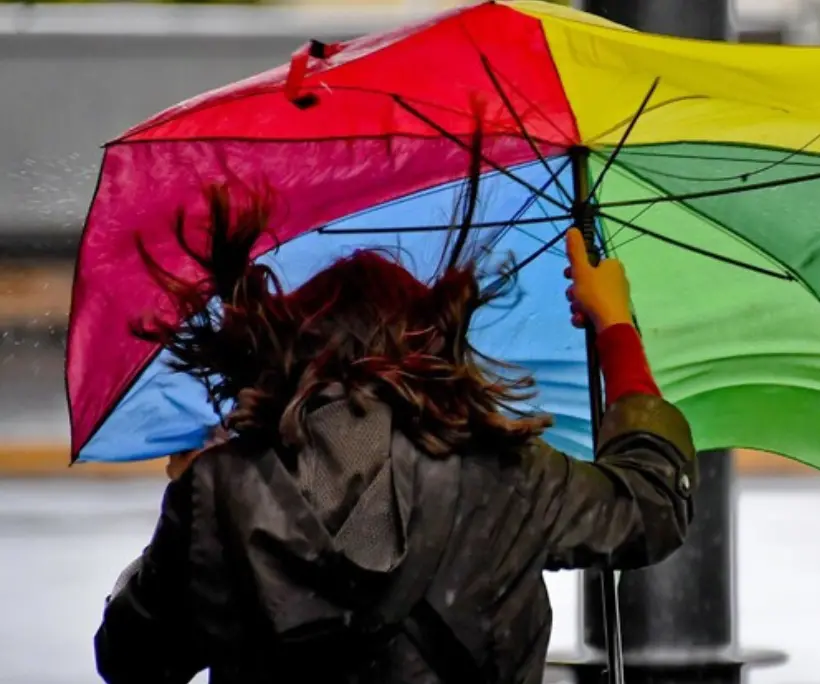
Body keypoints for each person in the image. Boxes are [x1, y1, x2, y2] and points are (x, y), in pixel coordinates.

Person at [93, 186, 697, 684]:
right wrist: (614, 325)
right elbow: (650, 502)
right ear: (430, 352)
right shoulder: (511, 473)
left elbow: (132, 659)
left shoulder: (225, 488)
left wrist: (194, 508)